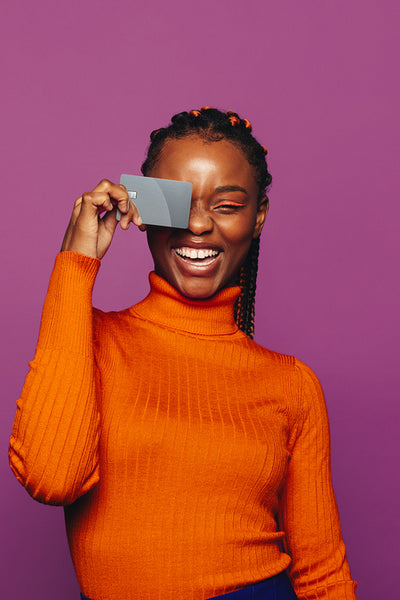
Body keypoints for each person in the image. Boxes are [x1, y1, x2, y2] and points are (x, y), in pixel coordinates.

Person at [9, 107, 358, 600]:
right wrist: (76, 261)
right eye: (177, 202)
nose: (197, 225)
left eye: (227, 206)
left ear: (257, 218)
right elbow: (53, 476)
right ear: (142, 207)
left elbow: (323, 573)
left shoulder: (292, 384)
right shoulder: (89, 342)